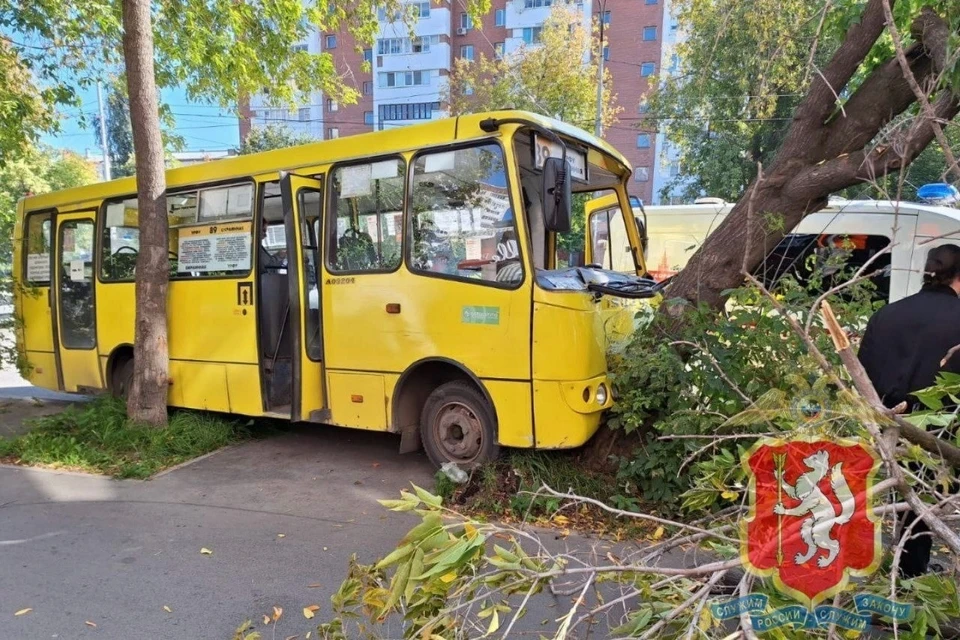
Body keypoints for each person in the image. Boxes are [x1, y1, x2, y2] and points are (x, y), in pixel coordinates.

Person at [857, 244, 960, 577]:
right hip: (941, 431)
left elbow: (863, 374)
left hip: (887, 425)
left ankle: (904, 571)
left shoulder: (887, 314)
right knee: (921, 504)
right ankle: (911, 576)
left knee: (906, 502)